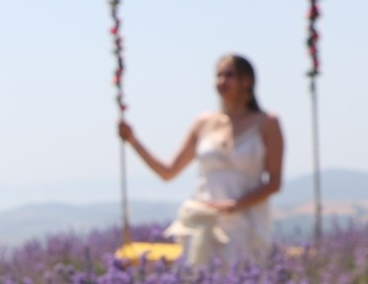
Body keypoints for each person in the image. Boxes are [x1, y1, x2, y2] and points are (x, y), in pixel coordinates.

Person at [118, 54, 284, 266]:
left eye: (229, 75)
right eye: (219, 75)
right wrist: (133, 140)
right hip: (203, 221)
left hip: (246, 224)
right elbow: (168, 172)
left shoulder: (267, 123)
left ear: (247, 81)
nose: (222, 81)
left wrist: (236, 205)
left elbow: (274, 182)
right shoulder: (203, 123)